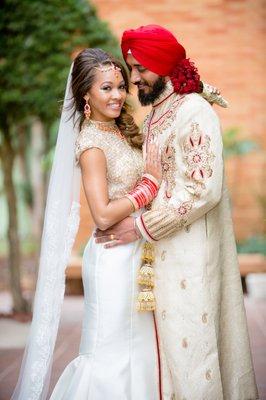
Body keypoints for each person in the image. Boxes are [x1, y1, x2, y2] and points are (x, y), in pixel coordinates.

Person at [94, 25, 259, 400]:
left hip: (192, 257)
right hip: (160, 257)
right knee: (169, 356)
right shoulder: (155, 116)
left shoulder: (194, 111)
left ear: (165, 64)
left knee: (194, 353)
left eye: (141, 68)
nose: (134, 78)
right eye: (131, 68)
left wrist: (140, 226)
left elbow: (203, 189)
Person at [12, 48, 163, 400]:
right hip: (113, 256)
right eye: (106, 88)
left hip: (136, 250)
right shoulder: (92, 143)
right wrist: (148, 187)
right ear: (85, 95)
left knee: (136, 348)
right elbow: (103, 214)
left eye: (120, 86)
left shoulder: (121, 132)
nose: (117, 95)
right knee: (110, 351)